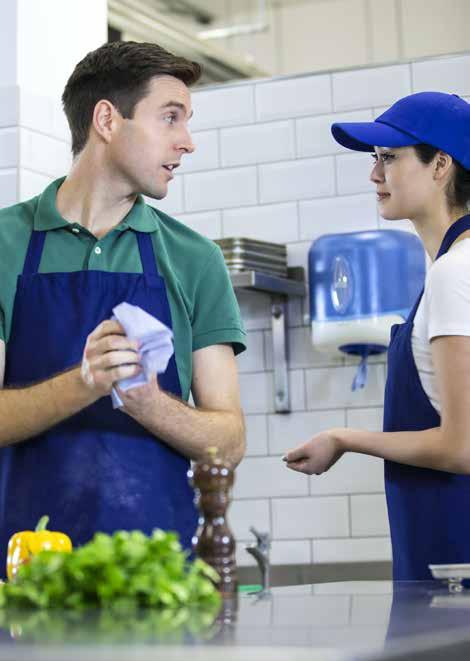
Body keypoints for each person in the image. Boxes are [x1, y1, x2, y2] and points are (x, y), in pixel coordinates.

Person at [0, 41, 247, 576]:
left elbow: (227, 443)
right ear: (108, 120)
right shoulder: (4, 243)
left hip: (160, 576)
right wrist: (86, 382)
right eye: (170, 118)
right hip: (23, 572)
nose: (188, 142)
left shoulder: (194, 259)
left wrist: (145, 401)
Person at [283, 91, 470, 581]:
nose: (374, 174)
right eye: (374, 159)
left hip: (455, 558)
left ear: (441, 165)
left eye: (389, 158)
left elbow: (461, 446)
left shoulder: (457, 272)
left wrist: (343, 437)